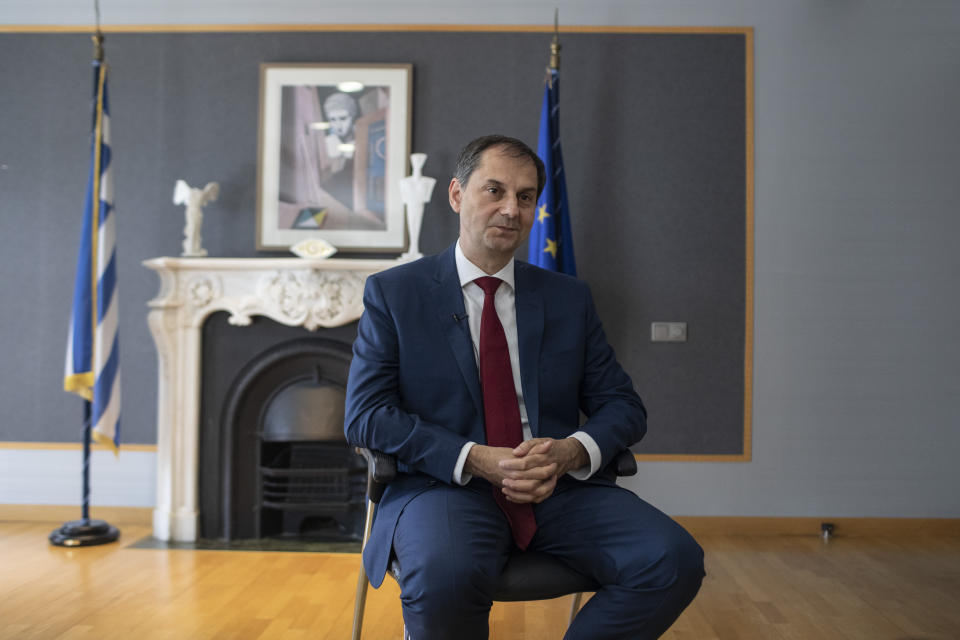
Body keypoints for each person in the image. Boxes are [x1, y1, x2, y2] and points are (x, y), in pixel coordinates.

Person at [345, 134, 704, 639]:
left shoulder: (568, 298)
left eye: (526, 196)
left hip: (555, 487)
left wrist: (570, 452)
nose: (511, 209)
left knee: (673, 559)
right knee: (446, 576)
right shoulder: (394, 293)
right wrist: (475, 457)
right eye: (494, 191)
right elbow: (365, 415)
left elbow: (622, 406)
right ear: (455, 195)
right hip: (445, 485)